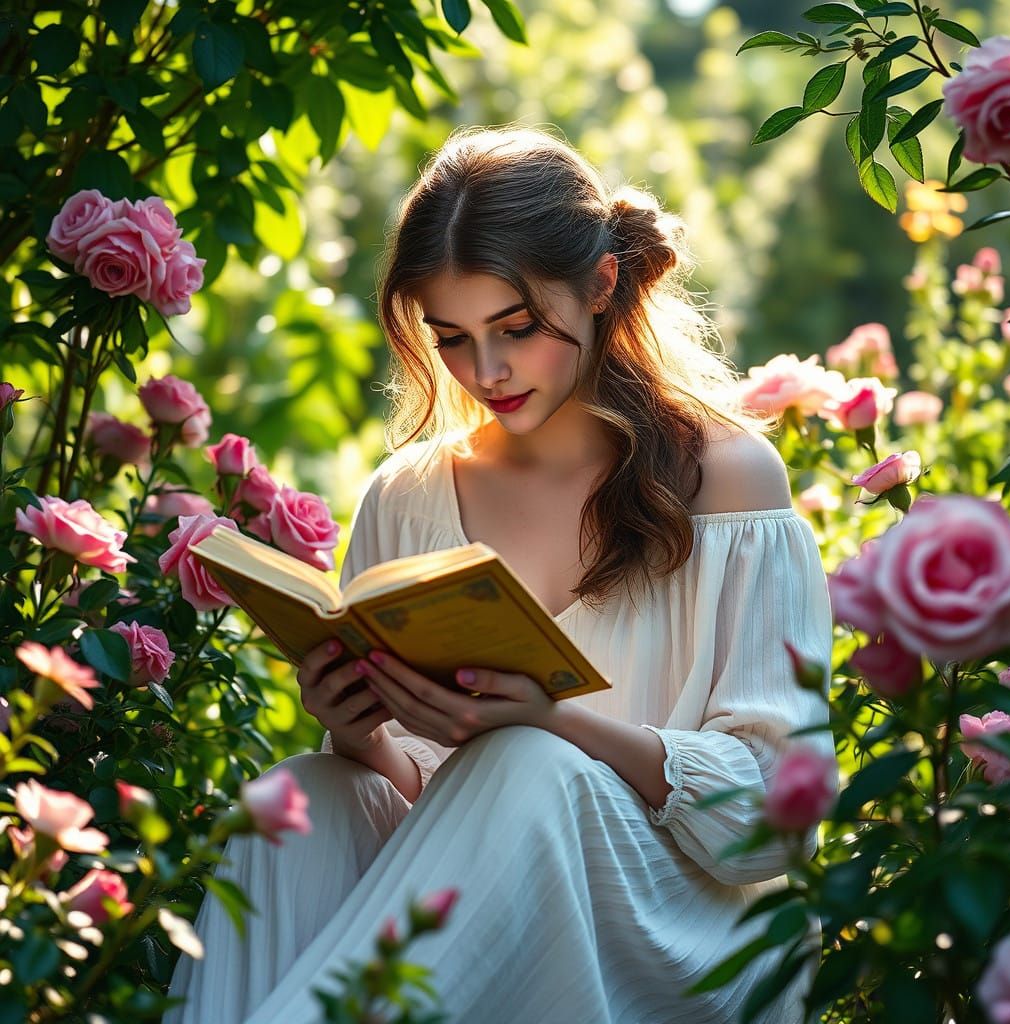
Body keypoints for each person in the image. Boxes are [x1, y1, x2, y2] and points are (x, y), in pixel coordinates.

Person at [164, 124, 836, 1024]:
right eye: (451, 338)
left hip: (677, 925)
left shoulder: (727, 476)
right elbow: (427, 809)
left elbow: (775, 819)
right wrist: (355, 730)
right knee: (304, 795)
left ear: (601, 284)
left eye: (516, 328)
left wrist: (552, 722)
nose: (486, 371)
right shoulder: (407, 495)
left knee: (527, 759)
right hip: (473, 920)